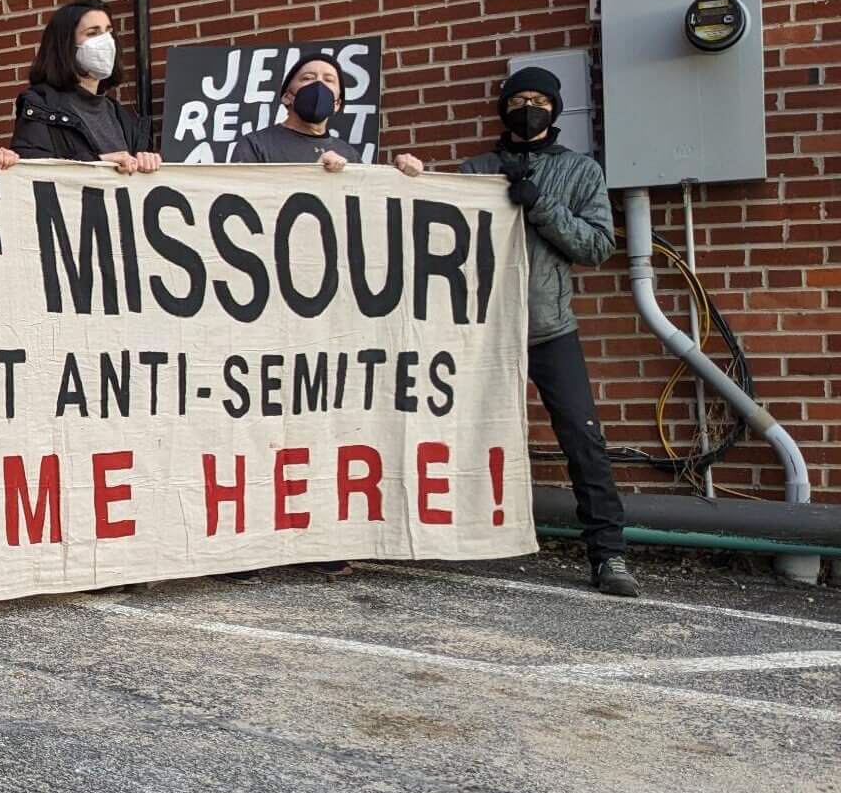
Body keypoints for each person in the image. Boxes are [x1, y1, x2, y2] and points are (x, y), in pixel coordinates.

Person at [462, 67, 636, 597]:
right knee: (458, 432)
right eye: (518, 99)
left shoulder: (581, 172)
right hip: (482, 330)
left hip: (549, 327)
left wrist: (541, 205)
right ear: (504, 108)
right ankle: (447, 535)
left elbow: (596, 246)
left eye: (539, 99)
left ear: (556, 108)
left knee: (582, 438)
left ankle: (609, 555)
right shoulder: (476, 170)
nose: (528, 108)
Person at [0, 0, 160, 175]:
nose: (105, 41)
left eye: (108, 32)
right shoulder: (40, 107)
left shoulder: (123, 118)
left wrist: (147, 162)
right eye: (92, 33)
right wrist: (99, 163)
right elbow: (32, 173)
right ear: (66, 45)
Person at [229, 54, 424, 177]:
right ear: (287, 97)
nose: (318, 85)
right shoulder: (256, 145)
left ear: (337, 103)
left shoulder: (349, 155)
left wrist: (400, 175)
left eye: (329, 80)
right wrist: (314, 176)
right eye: (307, 78)